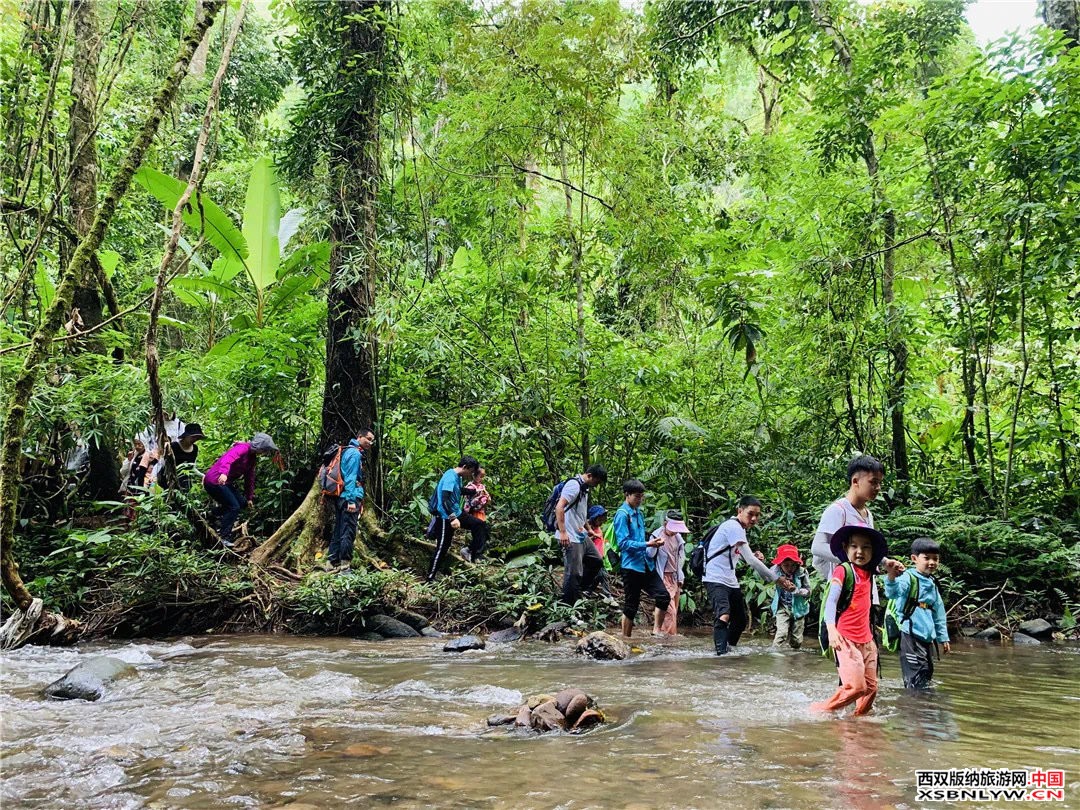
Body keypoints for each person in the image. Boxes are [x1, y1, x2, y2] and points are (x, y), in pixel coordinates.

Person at [811, 524, 888, 716]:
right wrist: (832, 630)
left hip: (867, 640)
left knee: (871, 689)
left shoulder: (869, 573)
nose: (860, 551)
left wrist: (893, 569)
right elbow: (831, 602)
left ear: (873, 551)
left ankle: (856, 722)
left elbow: (889, 575)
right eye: (854, 546)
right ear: (846, 548)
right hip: (846, 639)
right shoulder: (843, 571)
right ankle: (819, 711)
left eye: (866, 547)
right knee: (856, 687)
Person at [703, 496, 794, 655]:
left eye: (757, 515)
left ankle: (728, 650)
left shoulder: (739, 528)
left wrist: (752, 556)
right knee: (724, 614)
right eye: (750, 514)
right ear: (740, 510)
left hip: (730, 580)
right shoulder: (733, 527)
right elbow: (750, 560)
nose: (754, 519)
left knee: (740, 621)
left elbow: (736, 555)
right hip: (715, 578)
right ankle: (721, 656)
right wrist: (776, 579)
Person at [884, 538, 951, 690]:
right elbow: (893, 593)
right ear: (914, 559)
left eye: (935, 559)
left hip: (927, 636)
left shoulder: (932, 582)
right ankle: (914, 703)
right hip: (910, 634)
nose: (931, 562)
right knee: (916, 676)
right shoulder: (908, 578)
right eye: (927, 558)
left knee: (927, 672)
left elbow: (939, 613)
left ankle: (919, 703)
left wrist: (943, 638)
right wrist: (891, 577)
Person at [811, 455, 885, 582]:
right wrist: (853, 559)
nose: (878, 488)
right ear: (855, 481)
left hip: (864, 583)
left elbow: (868, 550)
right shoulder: (838, 510)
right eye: (873, 482)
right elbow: (817, 547)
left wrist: (885, 562)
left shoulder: (868, 514)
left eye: (879, 483)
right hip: (842, 584)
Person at [203, 432, 280, 548]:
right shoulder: (243, 448)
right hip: (215, 480)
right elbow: (228, 458)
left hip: (225, 483)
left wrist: (249, 497)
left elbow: (250, 478)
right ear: (259, 446)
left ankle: (211, 514)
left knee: (242, 503)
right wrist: (223, 473)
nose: (265, 452)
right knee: (234, 507)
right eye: (264, 449)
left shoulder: (252, 458)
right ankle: (224, 537)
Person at [613, 479, 670, 638]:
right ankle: (625, 640)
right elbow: (623, 543)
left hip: (646, 564)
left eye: (641, 496)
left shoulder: (639, 513)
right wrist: (647, 544)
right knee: (631, 606)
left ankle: (656, 632)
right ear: (627, 495)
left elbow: (640, 537)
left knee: (663, 596)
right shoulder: (622, 515)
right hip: (631, 566)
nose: (640, 499)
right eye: (637, 496)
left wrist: (652, 543)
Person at [555, 464, 608, 604]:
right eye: (596, 482)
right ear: (589, 476)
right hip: (570, 535)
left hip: (580, 534)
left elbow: (581, 513)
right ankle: (568, 604)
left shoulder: (584, 488)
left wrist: (589, 529)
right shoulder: (574, 485)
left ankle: (577, 591)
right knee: (574, 572)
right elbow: (559, 507)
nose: (596, 485)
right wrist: (563, 532)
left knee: (596, 561)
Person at [327, 428, 375, 573]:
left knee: (339, 529)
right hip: (349, 497)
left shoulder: (347, 451)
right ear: (359, 437)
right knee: (348, 531)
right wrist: (351, 500)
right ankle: (345, 567)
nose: (370, 443)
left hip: (341, 497)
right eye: (368, 439)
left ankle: (331, 563)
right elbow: (350, 478)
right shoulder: (355, 454)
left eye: (372, 441)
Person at [426, 455, 481, 581]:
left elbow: (457, 491)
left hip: (456, 513)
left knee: (479, 524)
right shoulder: (450, 477)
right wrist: (452, 518)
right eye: (471, 471)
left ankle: (472, 552)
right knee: (442, 547)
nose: (470, 475)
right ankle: (430, 577)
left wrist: (473, 491)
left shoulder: (458, 477)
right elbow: (444, 499)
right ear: (465, 467)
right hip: (445, 517)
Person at [647, 509, 689, 636]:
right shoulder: (657, 535)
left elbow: (680, 557)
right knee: (670, 611)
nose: (675, 531)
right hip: (662, 576)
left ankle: (665, 635)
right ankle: (669, 639)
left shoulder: (678, 537)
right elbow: (649, 555)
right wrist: (655, 546)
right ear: (665, 524)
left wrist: (680, 576)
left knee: (674, 610)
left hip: (675, 576)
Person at [769, 544, 811, 649]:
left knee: (797, 639)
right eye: (786, 565)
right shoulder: (776, 571)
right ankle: (774, 653)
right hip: (782, 607)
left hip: (799, 608)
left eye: (793, 565)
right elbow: (766, 574)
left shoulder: (802, 572)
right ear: (780, 564)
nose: (790, 568)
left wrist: (796, 590)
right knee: (781, 634)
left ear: (797, 563)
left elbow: (808, 591)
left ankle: (794, 656)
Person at [460, 466, 492, 562]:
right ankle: (473, 552)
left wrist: (486, 499)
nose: (481, 479)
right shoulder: (470, 487)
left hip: (481, 512)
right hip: (473, 512)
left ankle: (478, 552)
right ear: (474, 475)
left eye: (483, 477)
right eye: (480, 476)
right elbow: (470, 503)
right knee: (478, 533)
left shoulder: (481, 486)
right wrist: (481, 499)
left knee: (484, 532)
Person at [160, 423, 205, 490]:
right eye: (193, 437)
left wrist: (203, 476)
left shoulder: (195, 449)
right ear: (186, 436)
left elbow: (192, 468)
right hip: (168, 480)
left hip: (184, 482)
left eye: (197, 438)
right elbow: (163, 464)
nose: (195, 439)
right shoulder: (173, 446)